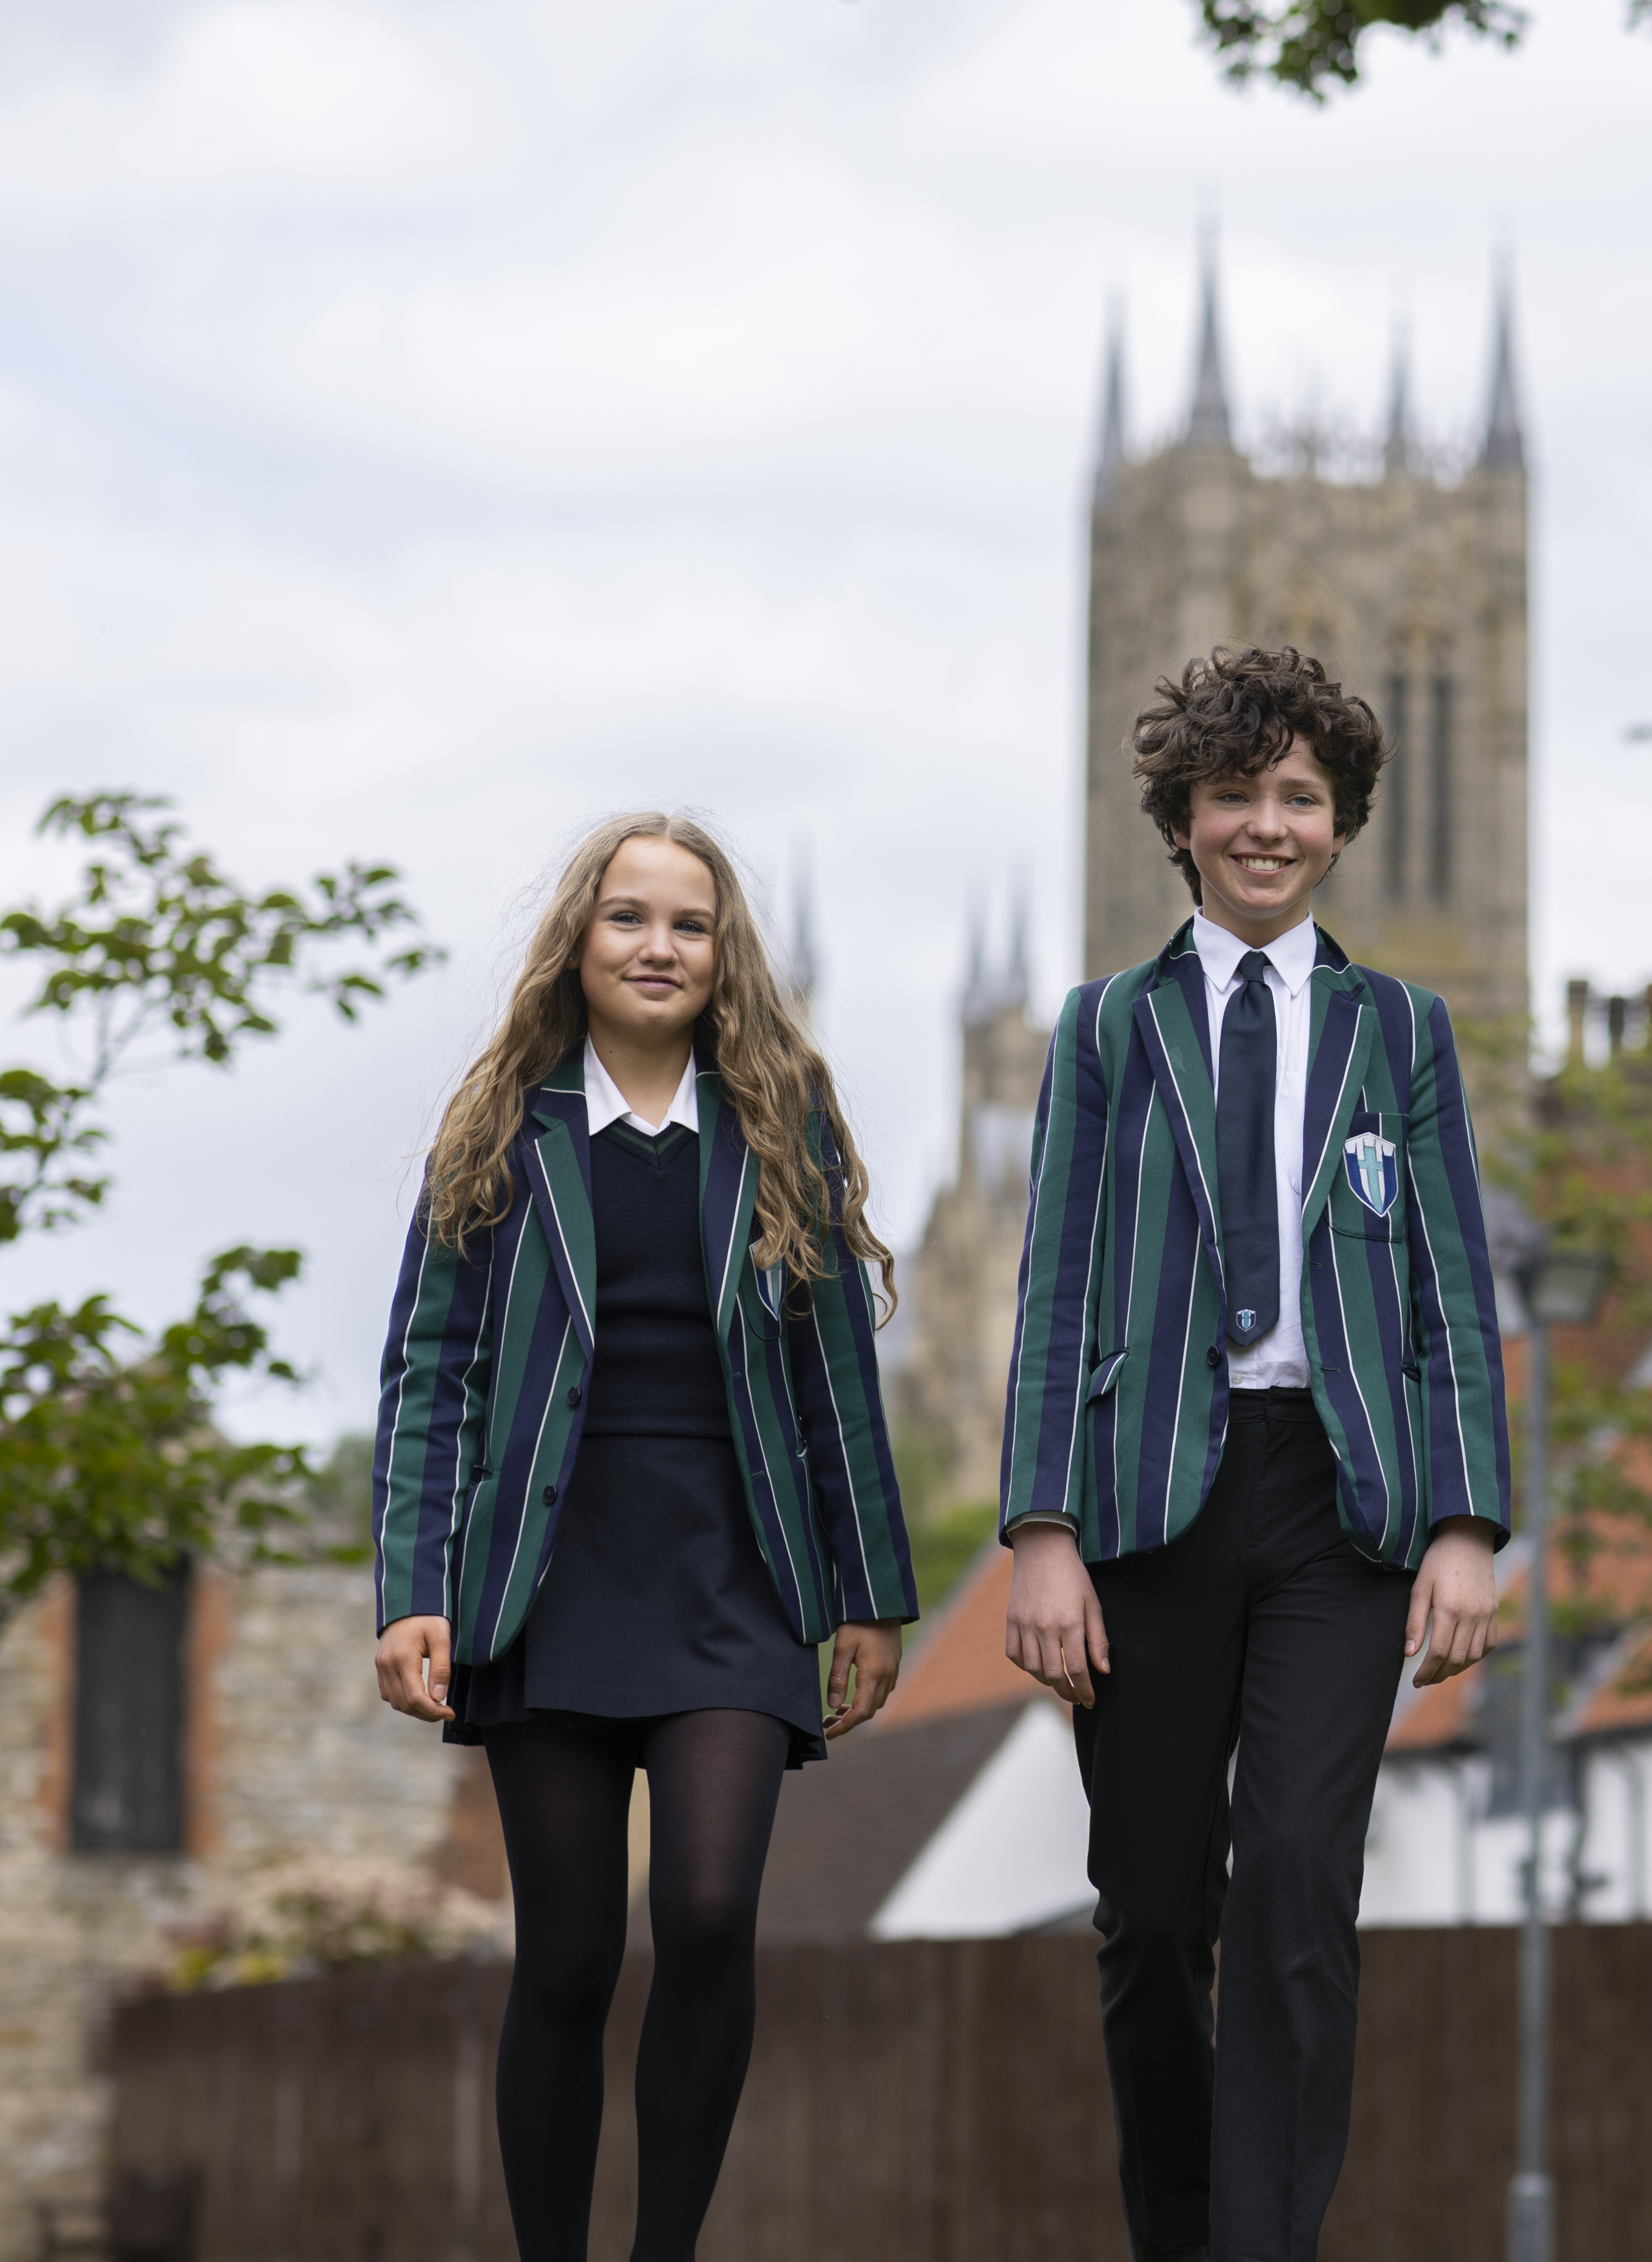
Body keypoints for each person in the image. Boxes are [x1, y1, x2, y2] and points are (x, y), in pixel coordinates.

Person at [1000, 645, 1513, 2262]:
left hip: (1337, 1504)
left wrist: (1465, 1523)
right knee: (1155, 1909)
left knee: (1296, 1881)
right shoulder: (1105, 1028)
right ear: (1182, 821)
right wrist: (1040, 1529)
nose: (1268, 826)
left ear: (1340, 823)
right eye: (1235, 795)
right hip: (1150, 1500)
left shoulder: (1401, 1030)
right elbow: (1056, 1281)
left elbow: (1450, 1281)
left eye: (1299, 796)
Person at [367, 812, 919, 2262]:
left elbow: (835, 1374)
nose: (658, 945)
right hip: (545, 1579)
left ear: (725, 954)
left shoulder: (782, 1125)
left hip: (737, 1579)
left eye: (690, 922)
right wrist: (411, 1587)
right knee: (565, 1952)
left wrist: (870, 1590)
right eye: (629, 917)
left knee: (712, 1904)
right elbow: (431, 1373)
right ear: (580, 940)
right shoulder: (501, 1127)